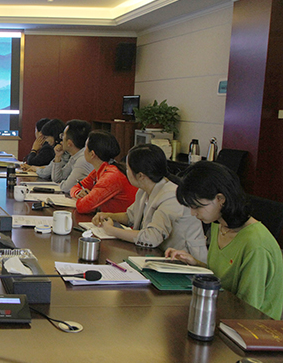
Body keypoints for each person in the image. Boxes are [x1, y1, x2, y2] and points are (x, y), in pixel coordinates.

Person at [165, 161, 283, 319]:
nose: (193, 213)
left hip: (251, 326)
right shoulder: (219, 225)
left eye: (197, 206)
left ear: (220, 199)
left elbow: (247, 308)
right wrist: (195, 263)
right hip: (223, 311)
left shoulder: (256, 245)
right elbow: (225, 278)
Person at [91, 144, 207, 261]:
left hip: (185, 261)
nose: (126, 172)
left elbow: (151, 238)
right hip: (160, 255)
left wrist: (112, 231)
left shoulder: (171, 196)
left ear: (140, 175)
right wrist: (108, 216)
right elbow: (131, 216)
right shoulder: (144, 191)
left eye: (128, 169)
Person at [70, 130, 137, 214]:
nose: (84, 151)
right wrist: (79, 192)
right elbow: (75, 187)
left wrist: (86, 198)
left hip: (122, 221)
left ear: (92, 154)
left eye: (86, 147)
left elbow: (83, 206)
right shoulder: (101, 170)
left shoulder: (111, 175)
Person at [30, 120, 93, 194]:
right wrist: (58, 157)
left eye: (63, 136)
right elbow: (57, 178)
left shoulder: (82, 160)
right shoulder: (75, 156)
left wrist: (62, 183)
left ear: (69, 143)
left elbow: (66, 187)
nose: (61, 139)